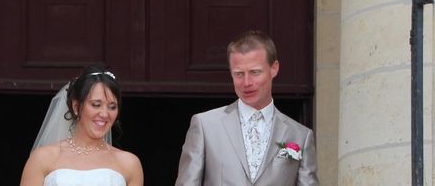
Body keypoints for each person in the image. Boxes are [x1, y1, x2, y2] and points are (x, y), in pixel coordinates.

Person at [175, 30, 319, 186]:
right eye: (238, 74)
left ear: (274, 68)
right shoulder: (205, 125)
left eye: (255, 72)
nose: (247, 82)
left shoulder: (300, 136)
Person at [20, 65, 144, 186]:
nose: (105, 114)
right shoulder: (42, 158)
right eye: (96, 104)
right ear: (76, 107)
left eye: (112, 107)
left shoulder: (129, 164)